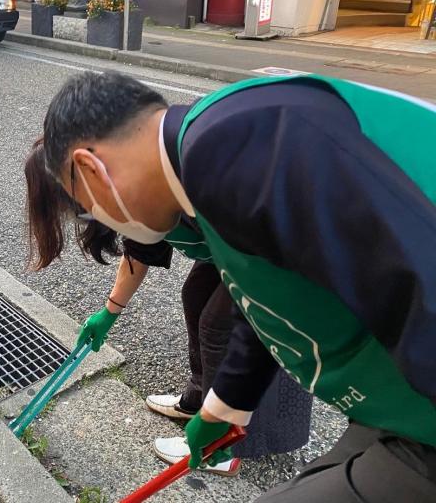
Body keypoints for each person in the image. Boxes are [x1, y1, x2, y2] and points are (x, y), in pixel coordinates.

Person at [25, 71, 436, 500]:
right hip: (398, 405)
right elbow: (266, 296)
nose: (94, 217)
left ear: (90, 168)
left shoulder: (235, 149)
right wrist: (224, 405)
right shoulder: (208, 155)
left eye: (85, 205)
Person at [26, 148, 312, 477]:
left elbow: (262, 252)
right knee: (195, 295)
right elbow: (142, 248)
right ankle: (199, 399)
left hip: (267, 247)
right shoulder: (120, 188)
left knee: (218, 326)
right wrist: (109, 312)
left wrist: (227, 407)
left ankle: (218, 445)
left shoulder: (158, 176)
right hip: (229, 244)